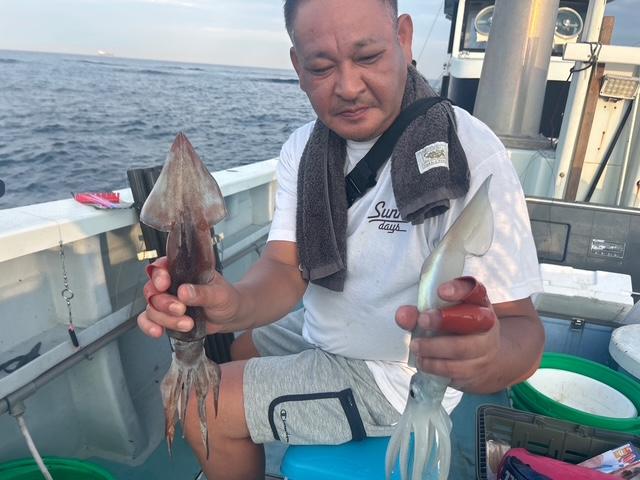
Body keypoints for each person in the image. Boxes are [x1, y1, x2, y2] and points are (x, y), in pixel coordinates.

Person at [137, 0, 545, 478]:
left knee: (199, 404)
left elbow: (524, 330)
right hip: (325, 329)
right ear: (298, 66)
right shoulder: (303, 149)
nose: (348, 87)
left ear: (404, 38)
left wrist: (488, 357)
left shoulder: (469, 155)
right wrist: (232, 303)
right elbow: (286, 267)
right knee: (239, 347)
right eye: (321, 67)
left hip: (394, 375)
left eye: (368, 56)